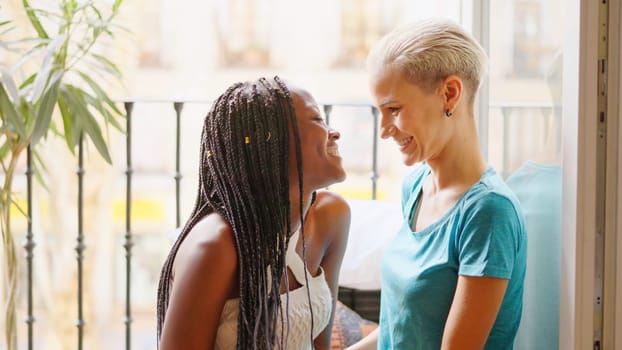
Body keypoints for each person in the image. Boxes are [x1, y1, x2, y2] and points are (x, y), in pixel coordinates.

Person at [348, 19, 527, 349]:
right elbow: (400, 327)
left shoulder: (488, 213)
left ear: (449, 94)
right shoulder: (415, 187)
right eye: (380, 112)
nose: (384, 129)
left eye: (394, 109)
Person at [156, 76, 351, 350]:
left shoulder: (331, 217)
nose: (334, 132)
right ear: (270, 142)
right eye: (317, 120)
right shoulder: (215, 246)